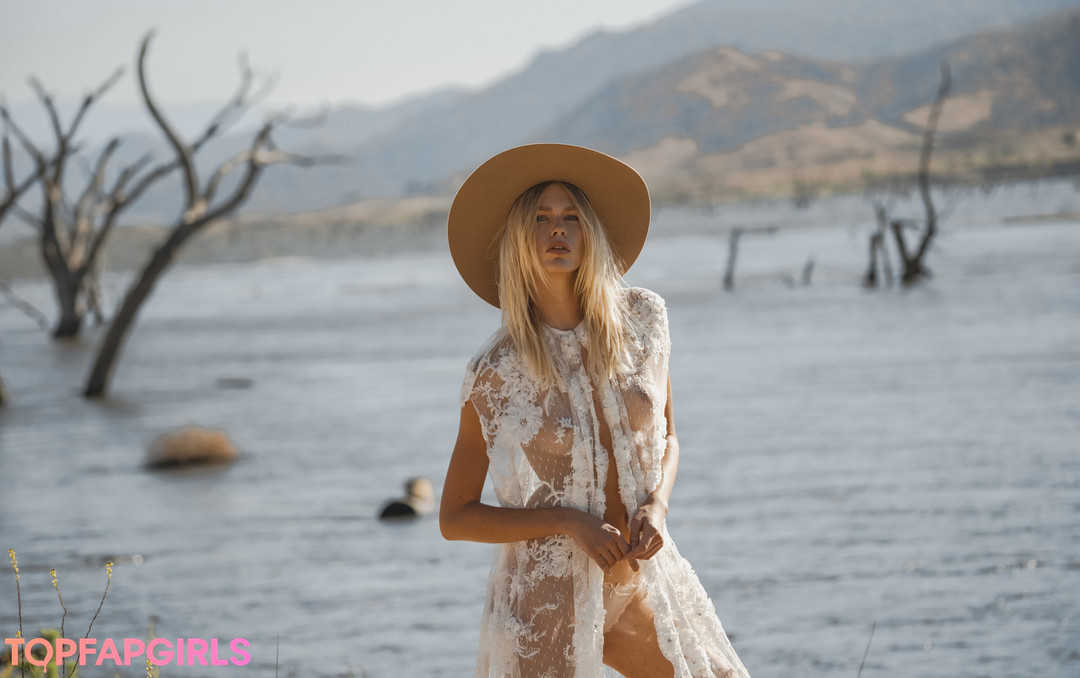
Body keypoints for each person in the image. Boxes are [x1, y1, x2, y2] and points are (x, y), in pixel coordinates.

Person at [440, 143, 751, 678]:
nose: (557, 230)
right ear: (519, 237)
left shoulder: (644, 321)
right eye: (540, 219)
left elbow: (670, 436)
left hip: (636, 579)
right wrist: (568, 521)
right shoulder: (496, 370)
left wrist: (658, 504)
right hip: (548, 600)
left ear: (591, 231)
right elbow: (455, 516)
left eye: (571, 217)